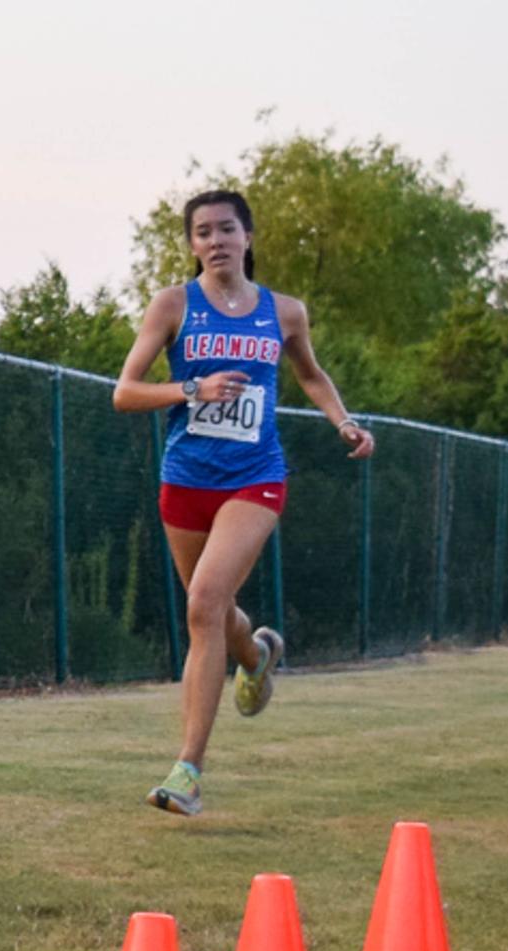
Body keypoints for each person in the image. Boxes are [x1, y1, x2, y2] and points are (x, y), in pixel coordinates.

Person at [114, 189, 374, 816]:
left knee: (203, 606)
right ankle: (257, 653)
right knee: (213, 611)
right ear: (193, 245)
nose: (215, 241)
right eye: (202, 232)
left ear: (248, 237)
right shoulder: (174, 305)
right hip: (186, 478)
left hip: (255, 478)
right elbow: (125, 392)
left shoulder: (284, 312)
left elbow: (309, 373)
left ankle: (187, 771)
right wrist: (190, 388)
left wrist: (343, 421)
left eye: (226, 229)